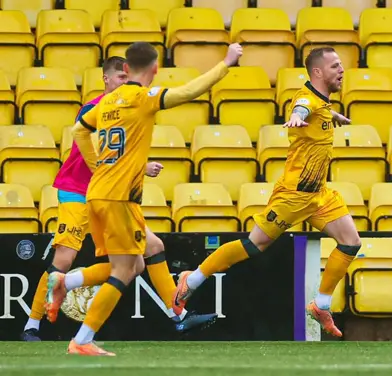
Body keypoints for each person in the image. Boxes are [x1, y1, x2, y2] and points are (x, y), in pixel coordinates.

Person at [67, 41, 243, 356]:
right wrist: (226, 63)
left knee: (143, 256)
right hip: (119, 197)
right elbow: (189, 91)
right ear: (155, 68)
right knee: (124, 269)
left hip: (101, 192)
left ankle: (177, 315)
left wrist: (102, 167)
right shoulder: (142, 97)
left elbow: (79, 131)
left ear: (125, 69)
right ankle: (78, 329)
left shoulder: (108, 101)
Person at [20, 57, 214, 341]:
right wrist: (141, 167)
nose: (125, 83)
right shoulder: (95, 108)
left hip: (111, 195)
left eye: (127, 78)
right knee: (64, 258)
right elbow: (101, 150)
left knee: (151, 248)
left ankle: (178, 316)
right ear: (106, 80)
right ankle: (31, 326)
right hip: (77, 189)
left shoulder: (131, 109)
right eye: (120, 79)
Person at [171, 47, 360, 337]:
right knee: (253, 245)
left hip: (319, 193)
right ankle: (192, 279)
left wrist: (331, 115)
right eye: (335, 66)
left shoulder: (320, 101)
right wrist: (297, 117)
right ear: (318, 72)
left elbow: (316, 108)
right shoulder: (306, 100)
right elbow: (302, 108)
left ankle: (320, 304)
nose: (341, 70)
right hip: (294, 194)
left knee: (350, 242)